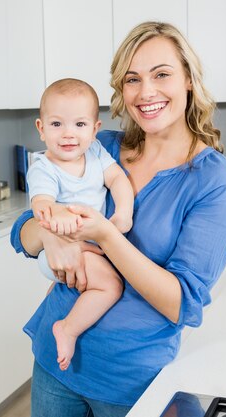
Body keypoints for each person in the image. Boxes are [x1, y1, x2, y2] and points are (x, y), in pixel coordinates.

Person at [10, 21, 226, 416]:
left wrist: (105, 234)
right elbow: (21, 234)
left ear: (188, 79)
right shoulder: (101, 147)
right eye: (133, 79)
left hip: (131, 384)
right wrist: (50, 235)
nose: (146, 91)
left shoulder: (214, 181)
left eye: (162, 74)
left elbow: (181, 303)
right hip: (54, 364)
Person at [28, 78, 134, 371]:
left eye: (79, 125)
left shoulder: (97, 152)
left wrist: (123, 213)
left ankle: (55, 308)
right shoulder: (44, 168)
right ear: (41, 129)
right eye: (57, 124)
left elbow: (117, 179)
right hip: (64, 248)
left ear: (95, 129)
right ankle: (68, 329)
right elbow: (41, 205)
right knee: (110, 286)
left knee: (72, 286)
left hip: (88, 244)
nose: (68, 135)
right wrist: (59, 215)